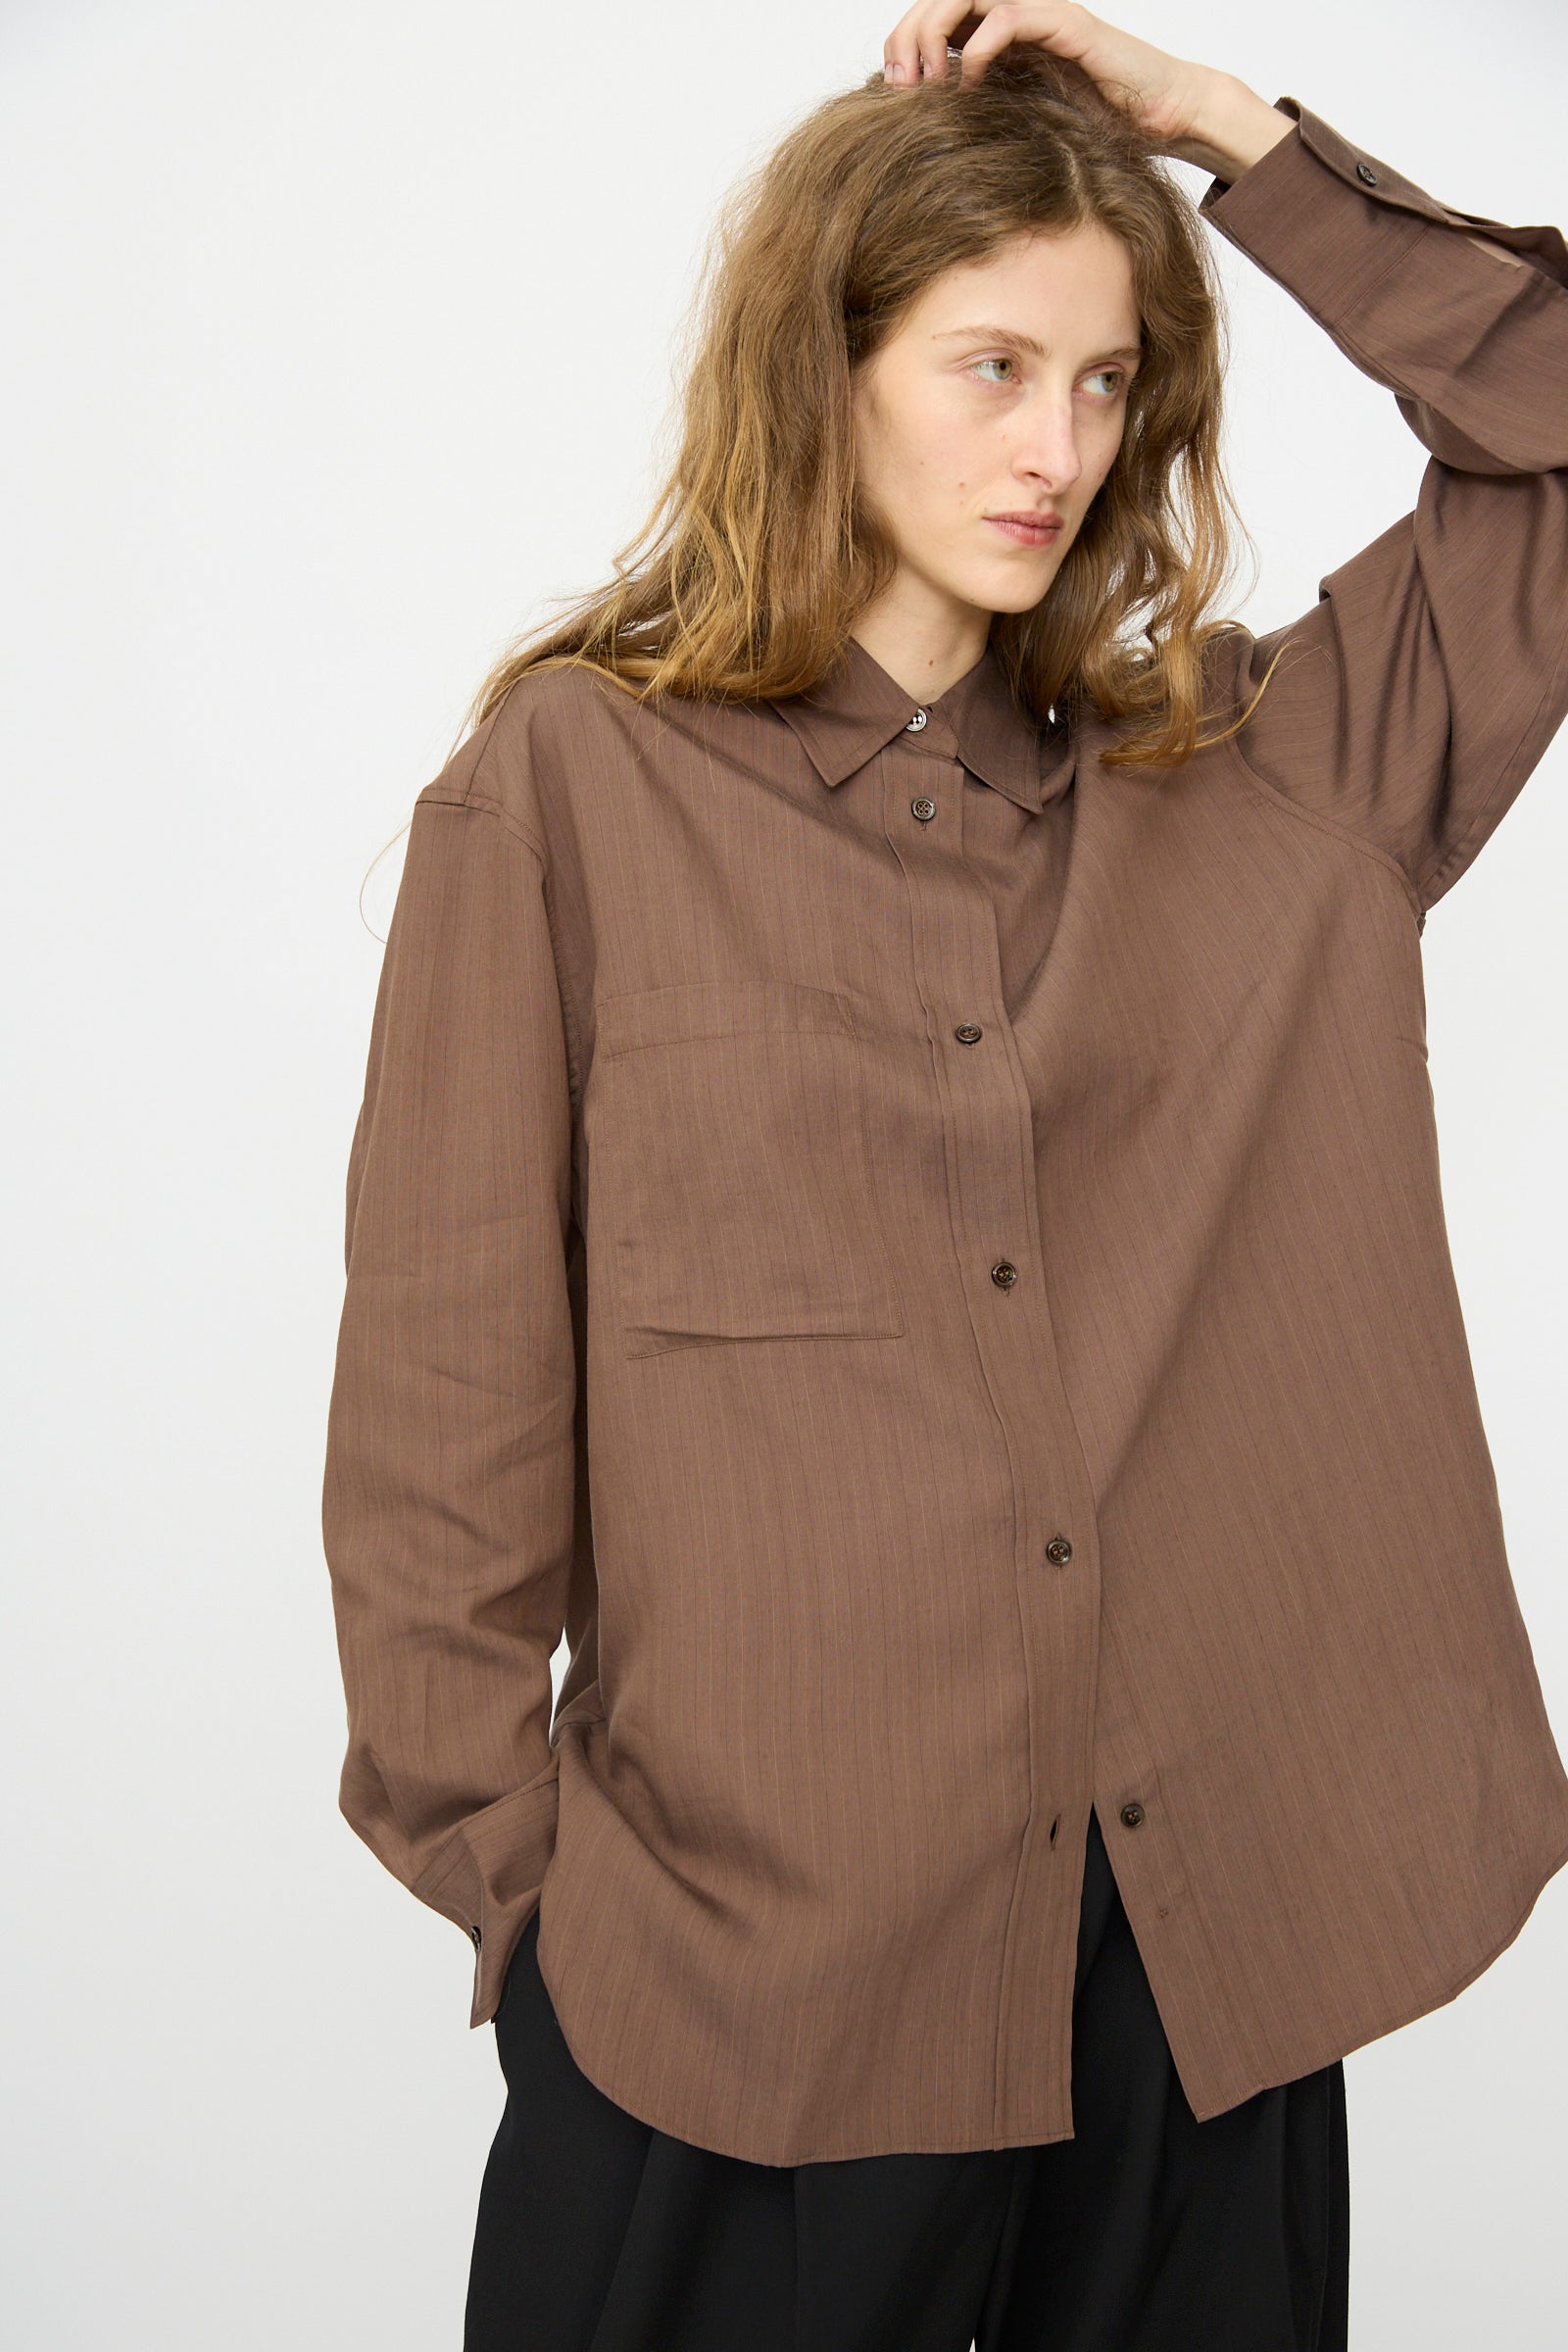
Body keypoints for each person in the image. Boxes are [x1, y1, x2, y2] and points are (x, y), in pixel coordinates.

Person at [319, 6, 1568, 2346]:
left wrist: (1228, 140)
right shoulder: (574, 789)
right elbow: (444, 1403)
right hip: (749, 1980)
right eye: (986, 367)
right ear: (831, 364)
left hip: (1202, 1961)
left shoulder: (1272, 784)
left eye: (1103, 384)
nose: (1054, 449)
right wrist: (533, 1909)